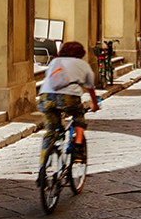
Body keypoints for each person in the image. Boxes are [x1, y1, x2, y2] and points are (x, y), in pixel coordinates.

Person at [36, 40, 100, 181]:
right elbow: (90, 87)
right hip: (69, 98)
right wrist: (95, 104)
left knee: (50, 131)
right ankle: (77, 147)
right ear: (80, 53)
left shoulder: (55, 62)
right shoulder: (83, 65)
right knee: (79, 117)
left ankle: (43, 166)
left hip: (46, 97)